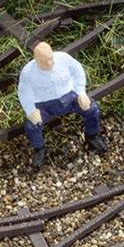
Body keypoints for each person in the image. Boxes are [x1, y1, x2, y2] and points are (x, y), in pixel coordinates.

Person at [17, 41, 107, 169]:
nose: (50, 63)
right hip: (44, 106)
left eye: (50, 58)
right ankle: (39, 149)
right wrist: (31, 110)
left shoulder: (63, 58)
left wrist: (81, 92)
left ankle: (92, 134)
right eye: (44, 61)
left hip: (70, 98)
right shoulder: (28, 73)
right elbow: (24, 92)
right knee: (31, 126)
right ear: (36, 60)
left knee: (92, 109)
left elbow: (78, 71)